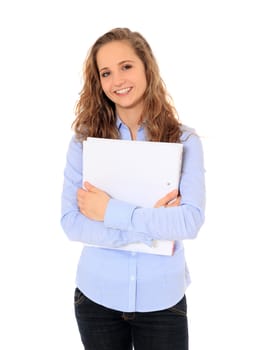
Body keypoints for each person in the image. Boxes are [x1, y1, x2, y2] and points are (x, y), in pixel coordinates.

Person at [61, 27, 205, 350]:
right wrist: (151, 230)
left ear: (146, 67)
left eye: (126, 66)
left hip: (163, 302)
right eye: (106, 73)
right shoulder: (84, 142)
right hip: (96, 299)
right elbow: (71, 223)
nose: (117, 80)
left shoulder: (185, 141)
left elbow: (189, 221)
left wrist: (109, 212)